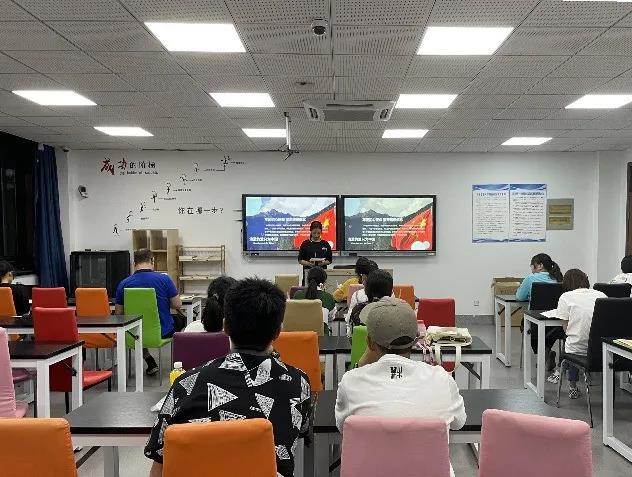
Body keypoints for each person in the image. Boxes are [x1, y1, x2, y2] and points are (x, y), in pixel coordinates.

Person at [145, 278, 312, 477]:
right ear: (278, 332)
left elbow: (159, 463)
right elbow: (301, 432)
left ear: (225, 327)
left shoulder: (186, 383)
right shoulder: (299, 382)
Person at [335, 297, 466, 477]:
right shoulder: (442, 378)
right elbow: (459, 422)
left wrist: (361, 365)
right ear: (416, 340)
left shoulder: (351, 381)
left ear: (370, 343)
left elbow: (343, 427)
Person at [115, 249, 183, 376]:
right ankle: (178, 365)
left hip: (134, 334)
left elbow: (119, 314)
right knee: (180, 320)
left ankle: (149, 361)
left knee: (136, 331)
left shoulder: (123, 284)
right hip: (162, 332)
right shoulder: (164, 279)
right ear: (152, 261)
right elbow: (177, 304)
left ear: (134, 263)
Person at [551, 269, 606, 398]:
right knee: (575, 340)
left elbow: (566, 329)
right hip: (602, 349)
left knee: (571, 342)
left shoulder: (566, 297)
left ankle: (572, 386)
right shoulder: (602, 295)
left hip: (578, 349)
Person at [516, 253, 564, 372]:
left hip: (535, 322)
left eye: (532, 266)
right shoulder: (559, 279)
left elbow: (520, 297)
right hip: (556, 324)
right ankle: (547, 353)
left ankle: (545, 354)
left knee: (526, 326)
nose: (531, 269)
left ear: (540, 266)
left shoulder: (531, 279)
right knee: (546, 331)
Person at [348, 269, 393, 333]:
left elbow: (351, 333)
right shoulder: (399, 310)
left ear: (366, 291)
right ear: (391, 292)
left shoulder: (358, 311)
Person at [345, 259, 378, 327]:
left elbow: (349, 319)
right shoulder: (389, 292)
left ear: (364, 277)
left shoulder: (357, 294)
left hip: (360, 330)